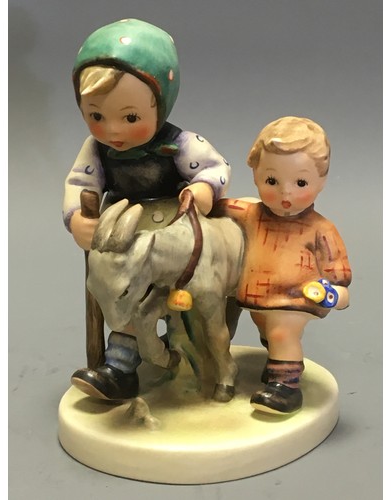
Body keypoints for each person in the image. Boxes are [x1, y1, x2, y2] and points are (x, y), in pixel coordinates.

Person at [62, 19, 231, 400]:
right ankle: (119, 367)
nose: (113, 130)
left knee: (180, 301)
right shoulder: (96, 150)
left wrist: (203, 189)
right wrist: (78, 219)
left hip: (173, 232)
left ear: (161, 103)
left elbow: (215, 167)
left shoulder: (181, 143)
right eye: (96, 116)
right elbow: (80, 183)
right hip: (120, 235)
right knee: (123, 297)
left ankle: (190, 357)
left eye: (130, 117)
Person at [210, 116, 352, 414]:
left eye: (300, 182)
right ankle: (279, 361)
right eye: (272, 181)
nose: (286, 193)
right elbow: (218, 206)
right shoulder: (250, 214)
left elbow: (339, 277)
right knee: (266, 329)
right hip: (258, 298)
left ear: (322, 181)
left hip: (296, 297)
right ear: (256, 176)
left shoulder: (321, 230)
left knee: (281, 333)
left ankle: (285, 386)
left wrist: (334, 294)